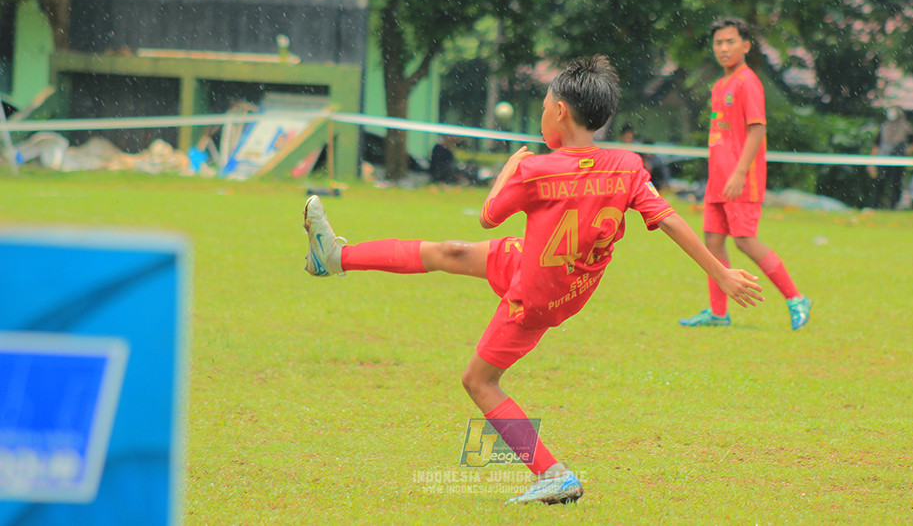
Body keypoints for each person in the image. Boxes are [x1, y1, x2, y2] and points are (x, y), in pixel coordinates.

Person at [302, 55, 764, 505]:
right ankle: (335, 257)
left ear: (560, 112)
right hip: (552, 274)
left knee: (479, 382)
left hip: (535, 295)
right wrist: (720, 272)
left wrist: (509, 167)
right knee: (450, 252)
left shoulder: (536, 169)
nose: (543, 113)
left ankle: (552, 474)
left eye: (544, 106)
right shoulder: (626, 165)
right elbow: (668, 221)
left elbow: (487, 216)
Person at [679, 17, 812, 330]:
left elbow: (758, 128)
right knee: (712, 241)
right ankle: (718, 313)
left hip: (741, 180)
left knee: (745, 241)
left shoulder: (747, 81)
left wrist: (739, 173)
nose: (723, 48)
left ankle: (796, 298)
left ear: (746, 46)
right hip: (717, 180)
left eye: (730, 41)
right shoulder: (721, 85)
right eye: (718, 43)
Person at [867, 105, 913, 209]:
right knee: (879, 182)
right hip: (883, 159)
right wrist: (872, 162)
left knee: (896, 183)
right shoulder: (884, 126)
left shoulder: (906, 127)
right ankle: (875, 206)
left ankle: (893, 206)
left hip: (897, 159)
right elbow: (877, 145)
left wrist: (907, 153)